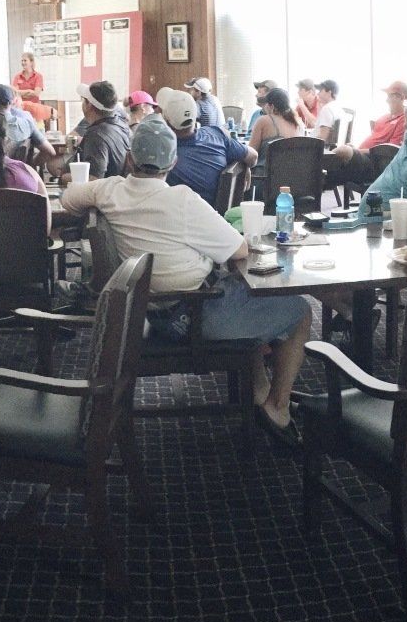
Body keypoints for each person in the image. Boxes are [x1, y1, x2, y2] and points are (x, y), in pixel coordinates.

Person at [58, 118, 311, 435]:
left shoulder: (110, 192)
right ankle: (279, 408)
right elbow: (240, 250)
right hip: (193, 316)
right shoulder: (183, 200)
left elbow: (69, 199)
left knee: (245, 299)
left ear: (130, 159)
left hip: (145, 312)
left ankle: (259, 390)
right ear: (173, 161)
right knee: (300, 310)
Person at [160, 86, 256, 201]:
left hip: (188, 216)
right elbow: (253, 157)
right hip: (219, 214)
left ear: (165, 119)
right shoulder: (217, 134)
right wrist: (243, 164)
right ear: (196, 114)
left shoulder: (164, 156)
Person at [327, 80, 407, 188]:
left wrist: (356, 151)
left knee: (343, 151)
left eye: (390, 96)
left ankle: (317, 173)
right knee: (336, 168)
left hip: (377, 164)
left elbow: (390, 151)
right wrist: (356, 149)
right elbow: (373, 140)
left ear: (402, 97)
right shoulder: (383, 118)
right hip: (365, 157)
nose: (386, 100)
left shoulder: (403, 120)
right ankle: (316, 180)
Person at [68, 81, 129, 179]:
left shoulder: (96, 135)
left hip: (104, 192)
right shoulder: (121, 125)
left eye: (84, 101)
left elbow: (94, 179)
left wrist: (64, 177)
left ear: (89, 106)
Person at [0, 83, 56, 163]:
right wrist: (30, 165)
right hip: (14, 172)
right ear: (12, 102)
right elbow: (50, 152)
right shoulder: (26, 122)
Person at [249, 86, 304, 157]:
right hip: (291, 167)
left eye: (265, 104)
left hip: (265, 167)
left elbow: (251, 152)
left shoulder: (263, 120)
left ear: (271, 106)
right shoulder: (296, 122)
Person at [11, 52, 53, 125]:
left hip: (35, 110)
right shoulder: (17, 76)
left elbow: (36, 93)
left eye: (25, 60)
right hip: (21, 110)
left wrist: (21, 93)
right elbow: (14, 93)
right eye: (22, 61)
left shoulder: (38, 76)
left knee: (38, 132)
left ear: (31, 62)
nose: (23, 62)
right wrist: (29, 91)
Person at [310, 80, 343, 146]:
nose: (318, 94)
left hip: (317, 151)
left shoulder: (327, 109)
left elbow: (322, 138)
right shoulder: (339, 108)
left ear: (329, 92)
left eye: (320, 91)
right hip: (332, 149)